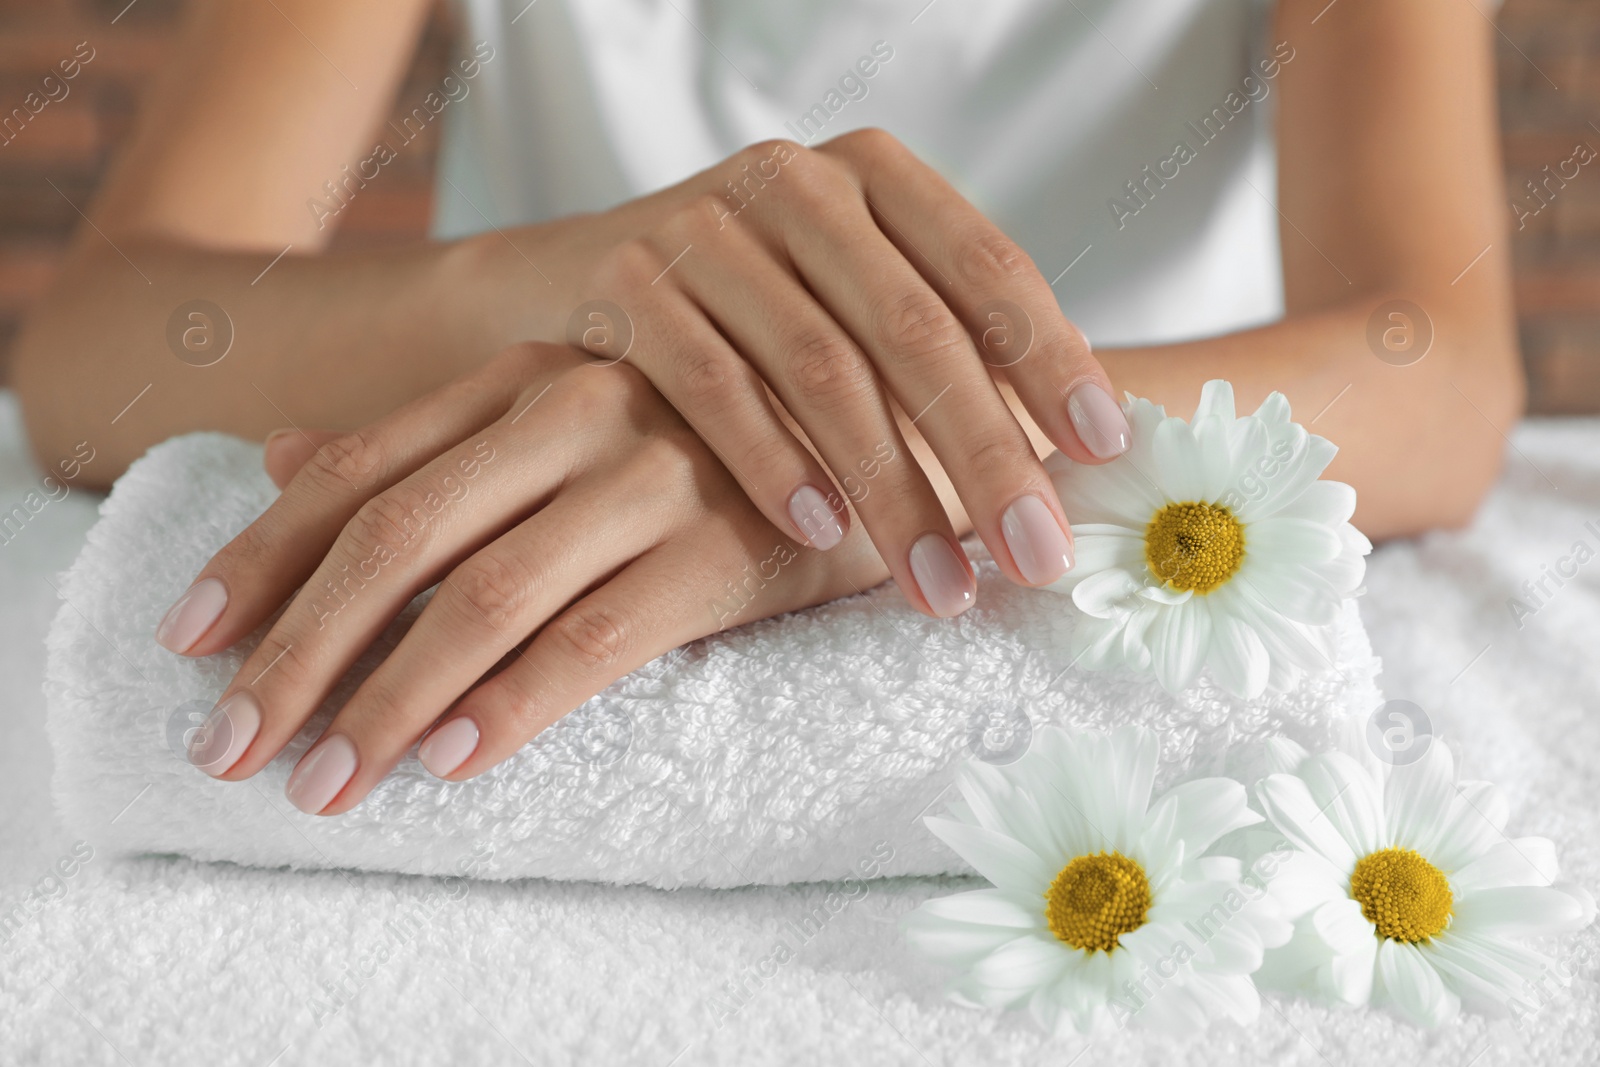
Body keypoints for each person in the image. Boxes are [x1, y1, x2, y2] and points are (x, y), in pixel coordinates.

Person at [10, 0, 1521, 815]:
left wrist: (903, 453)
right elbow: (94, 349)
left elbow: (1437, 364)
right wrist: (568, 292)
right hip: (567, 444)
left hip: (1079, 512)